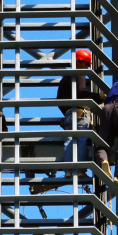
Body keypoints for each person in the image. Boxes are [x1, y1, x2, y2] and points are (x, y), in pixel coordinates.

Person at [31, 49, 107, 194]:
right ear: (78, 61)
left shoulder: (65, 78)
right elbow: (81, 93)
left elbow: (59, 100)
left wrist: (67, 113)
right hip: (80, 113)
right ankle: (80, 171)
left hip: (69, 115)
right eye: (85, 63)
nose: (86, 67)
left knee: (69, 141)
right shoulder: (79, 73)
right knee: (82, 140)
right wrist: (99, 96)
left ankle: (68, 170)